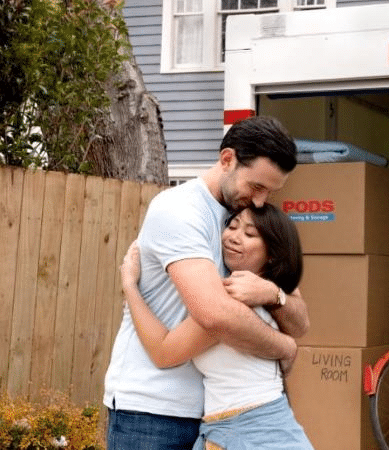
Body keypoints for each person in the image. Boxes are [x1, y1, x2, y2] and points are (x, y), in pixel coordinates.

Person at [103, 116, 310, 450]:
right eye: (256, 186)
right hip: (153, 410)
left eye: (270, 191)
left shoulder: (248, 218)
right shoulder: (180, 210)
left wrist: (273, 294)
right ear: (227, 160)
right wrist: (284, 347)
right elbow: (217, 315)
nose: (260, 200)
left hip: (213, 417)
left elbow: (299, 320)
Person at [121, 204, 313, 450]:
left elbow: (162, 352)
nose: (234, 236)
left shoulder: (233, 302)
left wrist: (130, 286)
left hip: (254, 430)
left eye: (249, 234)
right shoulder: (262, 290)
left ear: (272, 254)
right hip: (237, 426)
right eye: (232, 226)